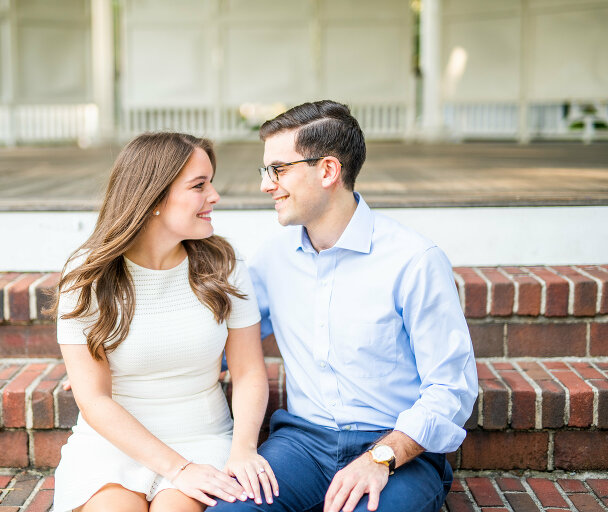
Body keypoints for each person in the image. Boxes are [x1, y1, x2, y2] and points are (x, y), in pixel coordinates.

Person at [215, 100, 478, 512]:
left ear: (328, 171)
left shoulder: (414, 260)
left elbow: (452, 388)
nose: (267, 185)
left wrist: (380, 458)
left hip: (395, 451)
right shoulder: (273, 258)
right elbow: (223, 338)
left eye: (278, 169)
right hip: (301, 444)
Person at [52, 132, 277, 512]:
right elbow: (93, 399)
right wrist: (177, 467)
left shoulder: (224, 263)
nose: (215, 196)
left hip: (203, 437)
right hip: (113, 444)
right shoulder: (86, 276)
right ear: (154, 197)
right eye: (199, 185)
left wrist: (243, 449)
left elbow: (249, 371)